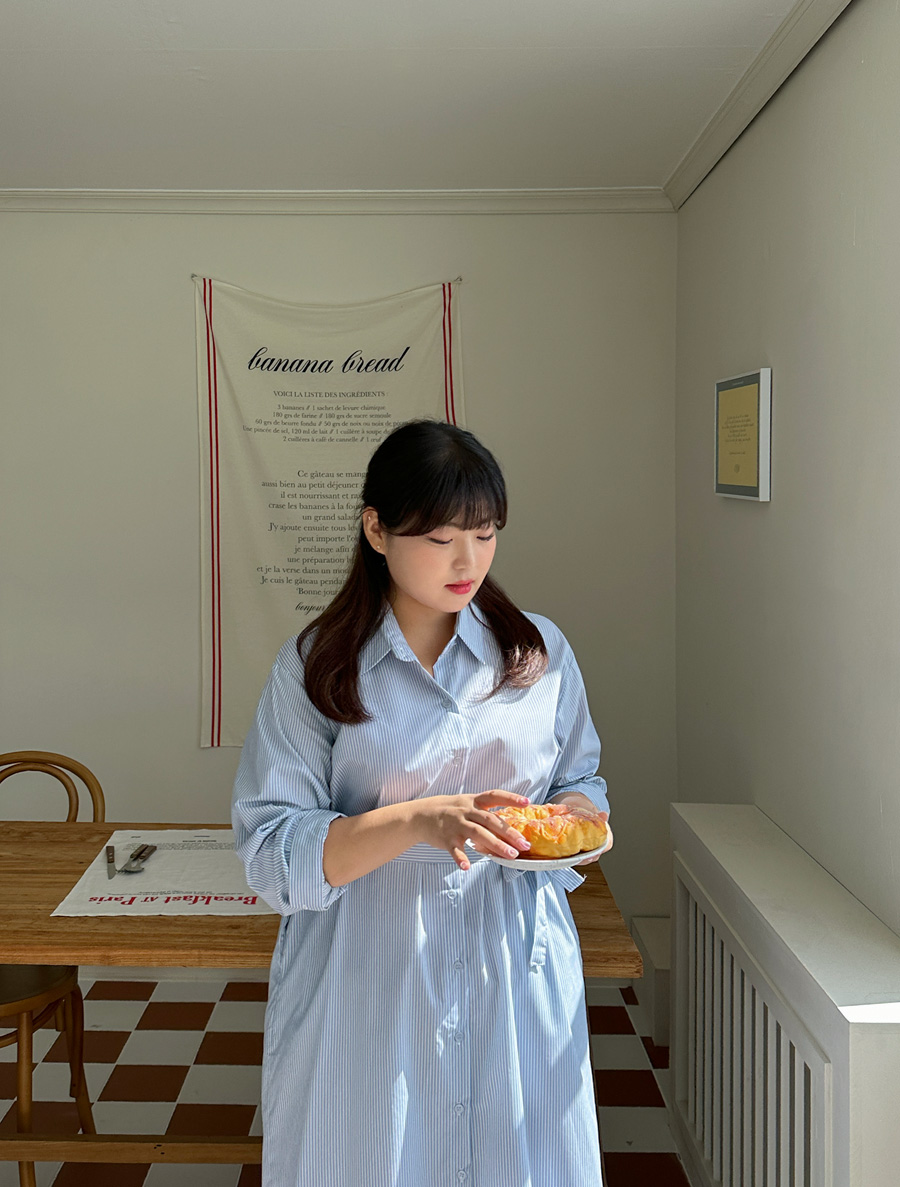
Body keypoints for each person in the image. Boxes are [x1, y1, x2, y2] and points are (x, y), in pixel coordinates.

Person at [232, 419, 612, 1187]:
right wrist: (418, 820)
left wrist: (573, 817)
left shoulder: (538, 654)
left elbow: (582, 780)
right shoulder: (315, 668)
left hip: (514, 971)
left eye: (485, 533)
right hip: (370, 978)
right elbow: (273, 853)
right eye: (441, 538)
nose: (468, 560)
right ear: (376, 529)